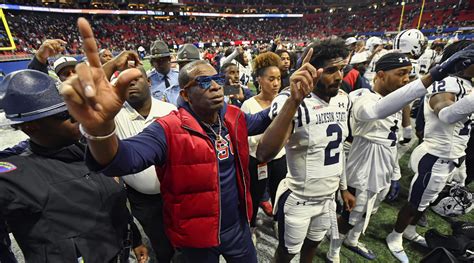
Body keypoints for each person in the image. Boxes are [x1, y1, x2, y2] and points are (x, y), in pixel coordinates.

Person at [60, 18, 317, 263]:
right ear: (185, 94)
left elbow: (262, 119)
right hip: (196, 237)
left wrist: (290, 94)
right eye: (204, 82)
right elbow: (120, 160)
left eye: (216, 80)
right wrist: (102, 129)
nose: (216, 86)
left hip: (237, 226)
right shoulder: (168, 128)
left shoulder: (233, 117)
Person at [0, 69, 148, 263]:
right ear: (31, 127)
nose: (78, 115)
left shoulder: (94, 151)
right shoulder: (13, 177)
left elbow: (116, 205)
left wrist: (135, 239)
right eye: (65, 113)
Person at [328, 52, 448, 262]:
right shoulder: (364, 97)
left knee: (370, 210)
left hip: (383, 166)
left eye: (409, 75)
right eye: (401, 73)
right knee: (351, 215)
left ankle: (353, 240)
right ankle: (333, 249)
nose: (405, 79)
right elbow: (374, 112)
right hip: (363, 167)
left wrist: (394, 173)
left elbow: (392, 141)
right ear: (381, 74)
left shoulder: (393, 102)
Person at [256, 38, 356, 263]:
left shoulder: (343, 99)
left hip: (328, 197)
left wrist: (343, 188)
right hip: (299, 198)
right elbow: (264, 153)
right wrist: (293, 100)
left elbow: (337, 149)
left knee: (312, 246)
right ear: (313, 71)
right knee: (287, 253)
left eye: (341, 68)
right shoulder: (289, 99)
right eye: (331, 70)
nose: (339, 76)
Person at [386, 41, 474, 263]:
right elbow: (445, 115)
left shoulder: (467, 84)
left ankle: (409, 230)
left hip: (451, 155)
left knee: (427, 200)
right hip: (435, 156)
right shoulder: (447, 82)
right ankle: (395, 236)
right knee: (415, 202)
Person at [114, 66, 177, 262]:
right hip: (142, 198)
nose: (131, 83)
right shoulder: (113, 116)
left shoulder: (169, 110)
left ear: (149, 81)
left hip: (174, 190)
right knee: (160, 241)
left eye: (136, 78)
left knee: (183, 237)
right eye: (124, 81)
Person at [240, 52, 287, 244]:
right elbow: (243, 137)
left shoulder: (284, 102)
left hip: (280, 157)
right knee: (254, 195)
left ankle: (277, 221)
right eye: (271, 79)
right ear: (259, 79)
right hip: (256, 159)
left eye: (278, 79)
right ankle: (251, 226)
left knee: (280, 193)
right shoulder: (248, 105)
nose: (276, 83)